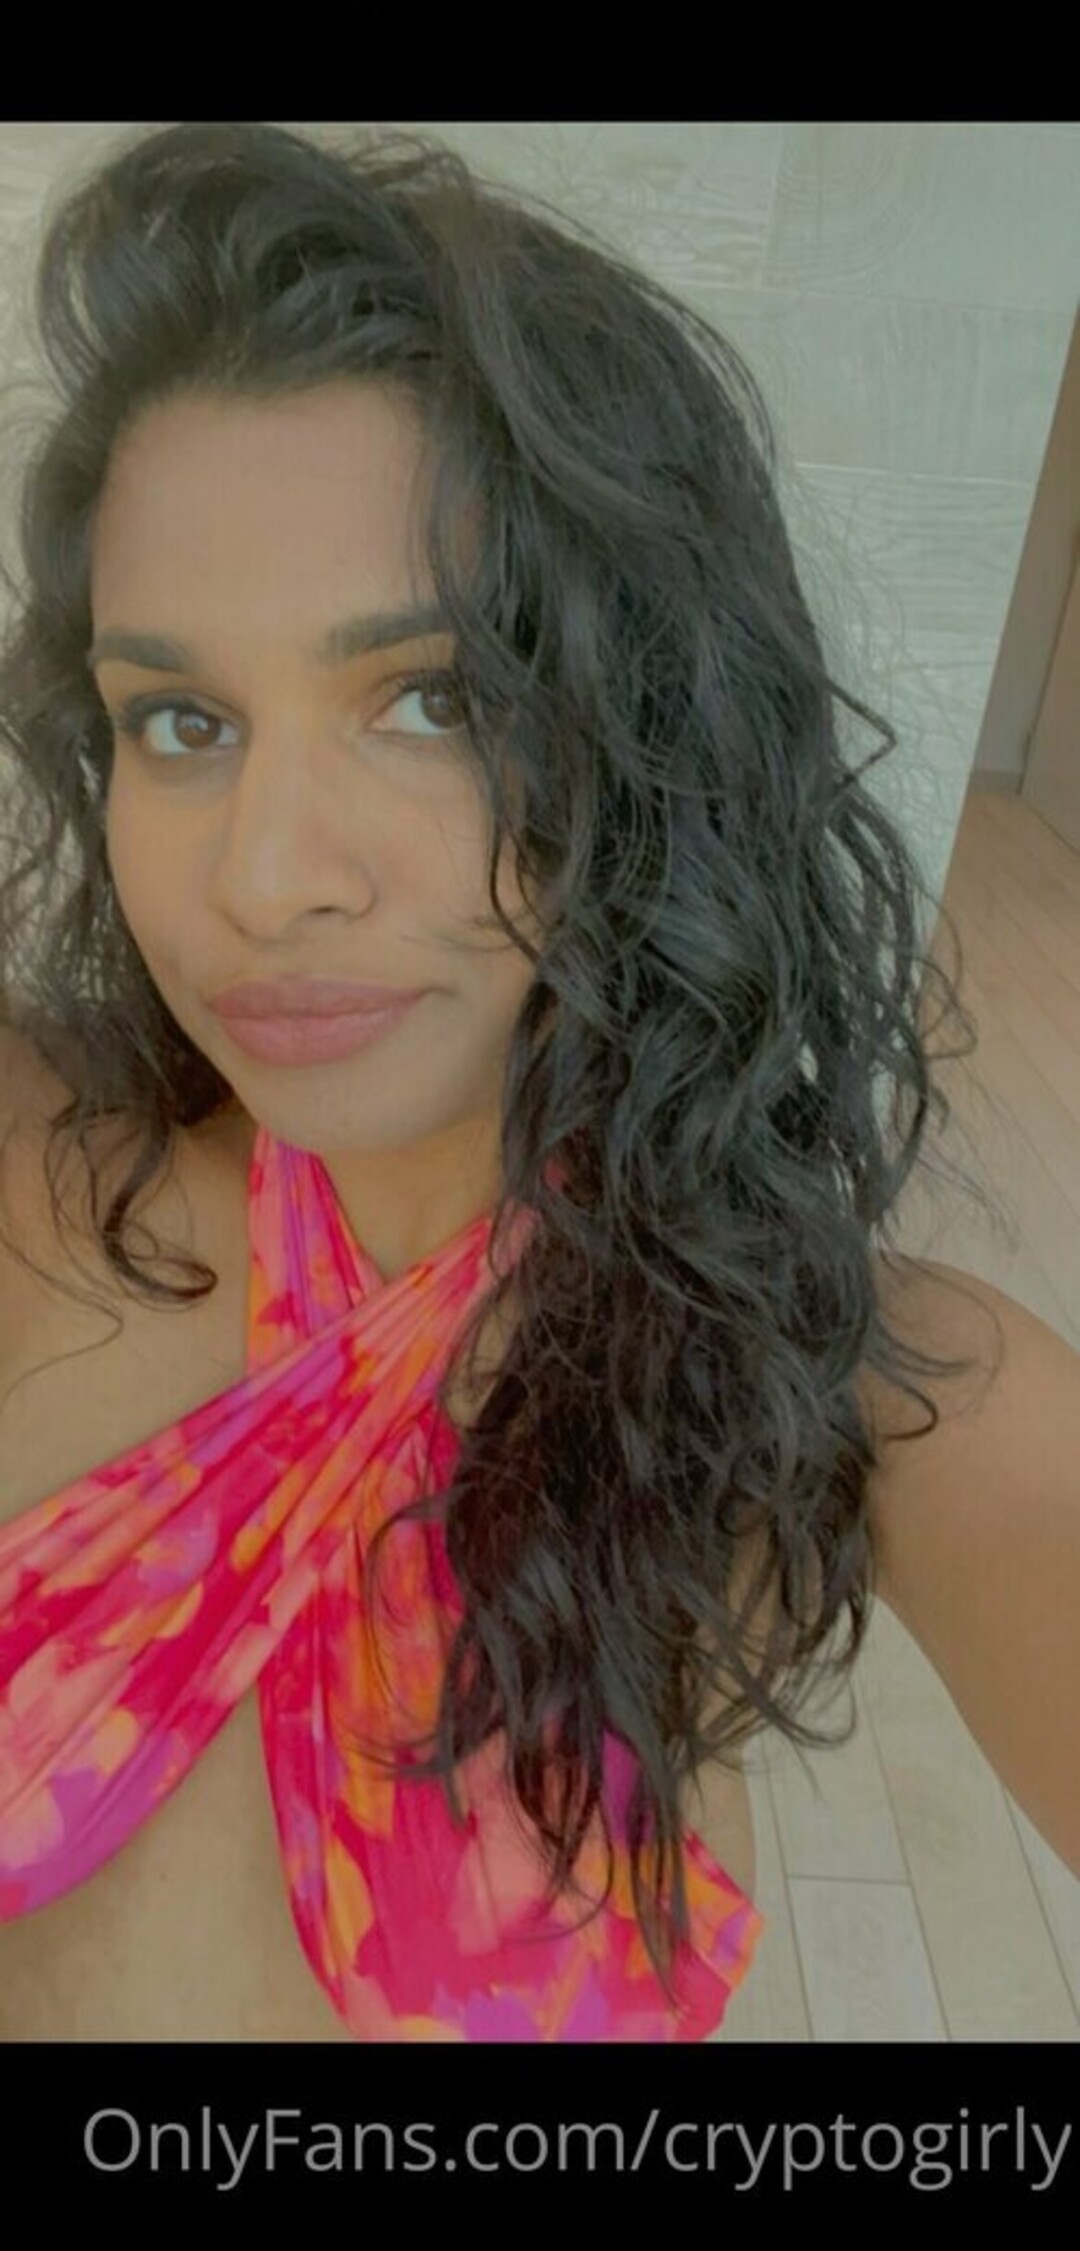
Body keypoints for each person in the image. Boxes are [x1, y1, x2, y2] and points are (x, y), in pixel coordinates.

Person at [0, 122, 1076, 2047]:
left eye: (435, 699)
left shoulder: (870, 1400)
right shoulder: (37, 1172)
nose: (266, 878)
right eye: (181, 720)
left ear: (648, 722)